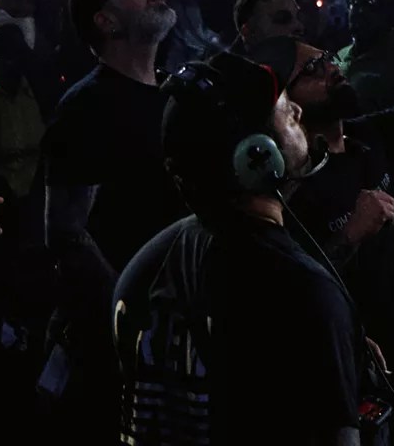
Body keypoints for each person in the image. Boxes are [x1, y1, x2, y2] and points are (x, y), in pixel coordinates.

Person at [112, 50, 366, 445]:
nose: (298, 112)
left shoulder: (146, 266)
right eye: (284, 110)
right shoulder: (302, 292)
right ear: (254, 156)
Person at [45, 0, 184, 426]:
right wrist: (130, 315)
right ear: (105, 22)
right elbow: (67, 231)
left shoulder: (176, 100)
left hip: (173, 336)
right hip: (115, 345)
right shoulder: (87, 105)